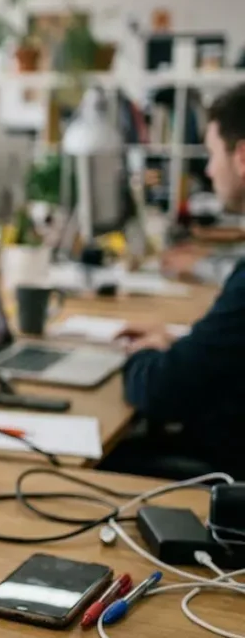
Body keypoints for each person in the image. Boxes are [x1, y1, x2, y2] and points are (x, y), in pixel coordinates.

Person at [108, 83, 245, 477]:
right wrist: (181, 347)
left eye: (212, 153)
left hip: (224, 475)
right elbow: (225, 355)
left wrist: (143, 356)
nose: (207, 169)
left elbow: (159, 391)